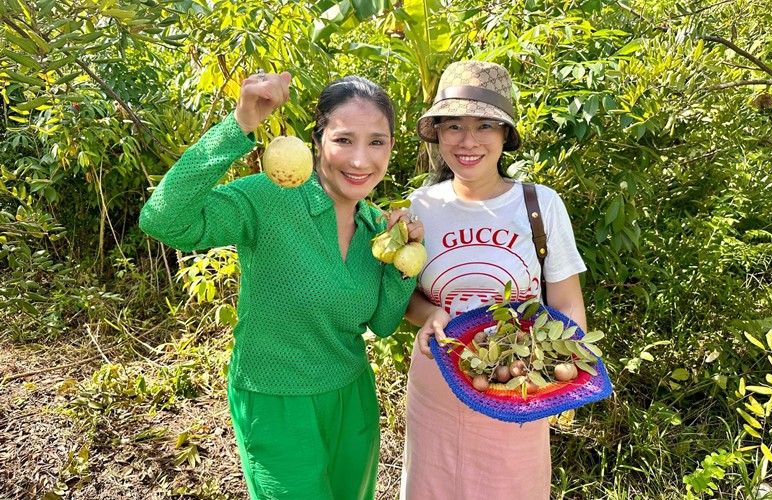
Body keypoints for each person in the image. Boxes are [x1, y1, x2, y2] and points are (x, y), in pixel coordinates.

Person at [139, 70, 423, 499]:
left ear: (391, 148)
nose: (361, 160)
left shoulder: (375, 229)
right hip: (276, 399)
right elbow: (163, 219)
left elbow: (382, 324)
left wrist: (405, 261)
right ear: (319, 140)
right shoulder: (271, 197)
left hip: (352, 396)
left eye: (376, 141)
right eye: (344, 139)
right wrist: (240, 125)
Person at [399, 60, 588, 499]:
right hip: (437, 381)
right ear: (438, 134)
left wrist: (562, 380)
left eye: (485, 125)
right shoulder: (418, 206)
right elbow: (405, 297)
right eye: (453, 126)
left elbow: (567, 303)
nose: (468, 142)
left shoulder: (540, 204)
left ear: (506, 135)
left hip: (517, 382)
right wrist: (431, 314)